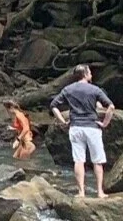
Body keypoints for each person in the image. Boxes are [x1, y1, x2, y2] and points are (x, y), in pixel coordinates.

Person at [50, 64, 116, 198]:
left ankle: (81, 192)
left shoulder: (68, 89)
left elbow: (53, 106)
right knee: (97, 161)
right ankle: (100, 192)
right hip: (92, 127)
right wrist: (104, 123)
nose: (91, 75)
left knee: (78, 160)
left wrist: (62, 121)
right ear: (85, 74)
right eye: (90, 72)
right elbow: (111, 107)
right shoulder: (95, 89)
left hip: (75, 127)